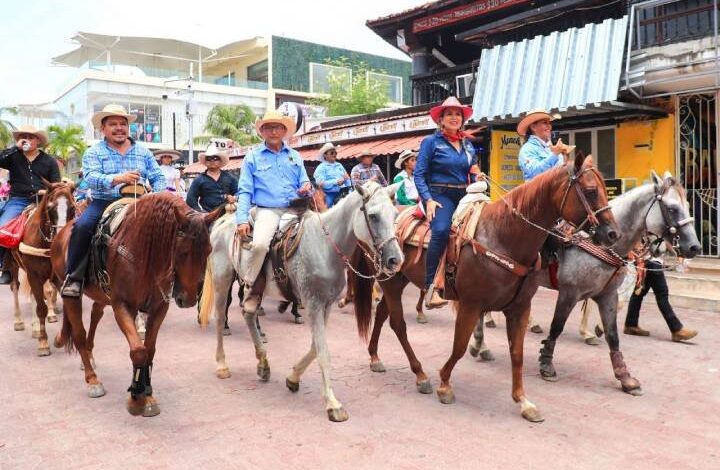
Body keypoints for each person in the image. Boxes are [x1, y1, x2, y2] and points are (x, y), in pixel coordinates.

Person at [60, 104, 166, 297]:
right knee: (83, 226)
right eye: (113, 124)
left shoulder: (143, 151)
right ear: (103, 129)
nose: (119, 128)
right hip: (104, 202)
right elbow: (90, 177)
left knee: (170, 227)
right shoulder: (94, 152)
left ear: (128, 127)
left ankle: (168, 276)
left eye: (123, 124)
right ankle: (74, 277)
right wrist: (118, 178)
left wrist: (155, 195)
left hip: (140, 202)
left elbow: (158, 176)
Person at [235, 110, 312, 314]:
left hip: (295, 208)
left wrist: (306, 186)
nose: (274, 131)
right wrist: (241, 219)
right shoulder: (252, 157)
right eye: (268, 127)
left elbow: (305, 181)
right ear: (262, 132)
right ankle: (250, 288)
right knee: (260, 245)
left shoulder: (295, 156)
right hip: (268, 210)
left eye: (278, 127)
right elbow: (244, 190)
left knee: (321, 235)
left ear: (285, 131)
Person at [415, 96, 477, 309]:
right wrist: (428, 200)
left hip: (465, 195)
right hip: (440, 195)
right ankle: (430, 287)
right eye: (449, 114)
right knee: (441, 231)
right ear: (440, 119)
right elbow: (419, 175)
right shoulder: (430, 142)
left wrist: (478, 178)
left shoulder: (468, 145)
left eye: (457, 114)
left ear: (462, 119)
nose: (454, 117)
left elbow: (472, 172)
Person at [516, 109, 567, 333]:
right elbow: (533, 172)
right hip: (536, 204)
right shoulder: (527, 149)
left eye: (549, 123)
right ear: (533, 128)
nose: (548, 126)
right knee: (529, 248)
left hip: (558, 202)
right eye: (543, 123)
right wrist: (555, 155)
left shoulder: (552, 147)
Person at [0, 125, 61, 284]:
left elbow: (56, 185)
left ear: (38, 141)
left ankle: (66, 266)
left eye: (30, 136)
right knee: (2, 228)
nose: (26, 139)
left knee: (65, 225)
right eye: (23, 136)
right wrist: (15, 147)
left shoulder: (49, 161)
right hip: (19, 200)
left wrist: (45, 192)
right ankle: (6, 268)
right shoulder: (13, 156)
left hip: (44, 201)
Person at [624, 239, 698, 342]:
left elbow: (663, 239)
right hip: (651, 262)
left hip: (647, 262)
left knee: (639, 293)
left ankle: (630, 324)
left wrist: (675, 253)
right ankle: (676, 329)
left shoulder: (656, 226)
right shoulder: (651, 225)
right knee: (662, 295)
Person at [186, 144, 237, 212]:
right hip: (207, 215)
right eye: (209, 159)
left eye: (215, 158)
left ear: (220, 161)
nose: (212, 161)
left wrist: (234, 198)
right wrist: (200, 213)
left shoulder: (230, 177)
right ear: (206, 162)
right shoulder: (199, 180)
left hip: (228, 215)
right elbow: (190, 199)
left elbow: (239, 192)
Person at [313, 142, 351, 208]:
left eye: (335, 153)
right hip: (328, 194)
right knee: (326, 210)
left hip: (343, 192)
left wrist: (349, 189)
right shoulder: (321, 167)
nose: (334, 155)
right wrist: (335, 182)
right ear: (325, 155)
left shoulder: (339, 165)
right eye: (332, 153)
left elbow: (347, 178)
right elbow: (320, 183)